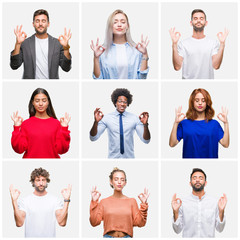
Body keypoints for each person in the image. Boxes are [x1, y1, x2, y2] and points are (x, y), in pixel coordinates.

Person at [9, 167, 72, 238]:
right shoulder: (25, 201)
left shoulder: (55, 200)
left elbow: (62, 223)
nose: (41, 183)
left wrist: (67, 200)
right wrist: (14, 201)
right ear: (33, 182)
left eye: (43, 180)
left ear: (46, 181)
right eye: (38, 180)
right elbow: (19, 223)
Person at [10, 9, 72, 79]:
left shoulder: (57, 43)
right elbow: (14, 66)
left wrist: (66, 48)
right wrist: (18, 44)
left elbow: (66, 68)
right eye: (37, 21)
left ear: (48, 24)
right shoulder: (25, 43)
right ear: (33, 24)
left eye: (43, 21)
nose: (40, 24)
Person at [90, 88, 151, 158]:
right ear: (115, 102)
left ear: (127, 103)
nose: (122, 104)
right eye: (120, 101)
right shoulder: (106, 118)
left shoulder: (134, 118)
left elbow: (146, 141)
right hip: (112, 158)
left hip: (130, 158)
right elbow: (93, 138)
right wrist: (96, 122)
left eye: (125, 102)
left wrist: (145, 124)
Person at [11, 88, 71, 158]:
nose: (40, 104)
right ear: (32, 102)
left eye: (44, 100)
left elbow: (62, 150)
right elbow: (19, 149)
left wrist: (64, 128)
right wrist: (16, 128)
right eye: (37, 101)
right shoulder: (26, 124)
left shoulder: (56, 124)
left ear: (48, 102)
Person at [169, 88, 229, 158]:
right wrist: (176, 123)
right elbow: (172, 144)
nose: (200, 103)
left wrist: (226, 123)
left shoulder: (214, 124)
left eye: (203, 101)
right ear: (192, 102)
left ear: (207, 103)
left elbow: (225, 144)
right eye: (197, 100)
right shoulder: (184, 123)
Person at [90, 168, 149, 238]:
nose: (119, 182)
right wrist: (94, 202)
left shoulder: (132, 201)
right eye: (116, 179)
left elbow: (140, 223)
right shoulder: (104, 202)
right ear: (111, 181)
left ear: (125, 183)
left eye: (122, 179)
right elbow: (94, 223)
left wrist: (144, 204)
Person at [169, 9, 229, 79]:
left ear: (206, 23)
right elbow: (177, 67)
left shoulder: (213, 43)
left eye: (201, 18)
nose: (198, 20)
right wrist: (174, 44)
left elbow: (216, 66)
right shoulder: (183, 44)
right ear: (191, 23)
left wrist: (222, 44)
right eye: (195, 18)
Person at [90, 9, 149, 79]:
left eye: (123, 22)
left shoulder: (137, 50)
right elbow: (98, 79)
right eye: (115, 22)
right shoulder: (102, 51)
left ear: (127, 26)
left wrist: (145, 54)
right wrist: (96, 58)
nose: (119, 25)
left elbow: (142, 78)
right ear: (110, 26)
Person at [171, 168, 227, 237]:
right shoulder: (182, 203)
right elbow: (177, 230)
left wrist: (221, 211)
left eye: (201, 178)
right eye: (194, 178)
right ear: (190, 183)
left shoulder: (214, 202)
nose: (197, 180)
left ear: (205, 183)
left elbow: (220, 229)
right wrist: (175, 211)